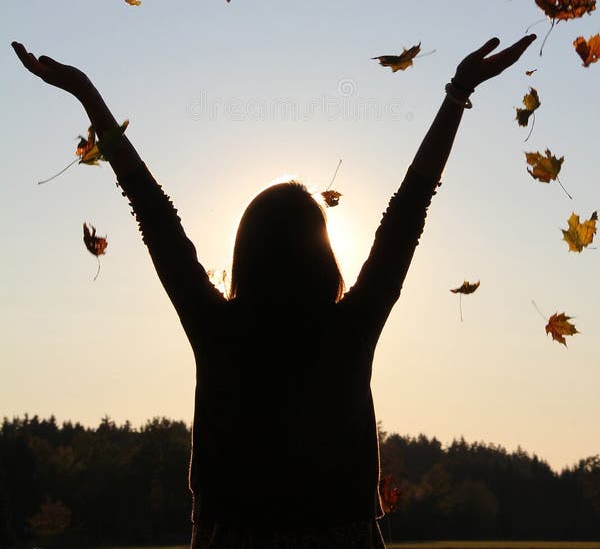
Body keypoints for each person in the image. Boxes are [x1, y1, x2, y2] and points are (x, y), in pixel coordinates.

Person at [12, 34, 535, 549]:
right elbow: (408, 211)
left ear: (245, 253)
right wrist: (456, 93)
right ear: (325, 258)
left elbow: (153, 214)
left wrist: (88, 96)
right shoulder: (350, 327)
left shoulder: (217, 327)